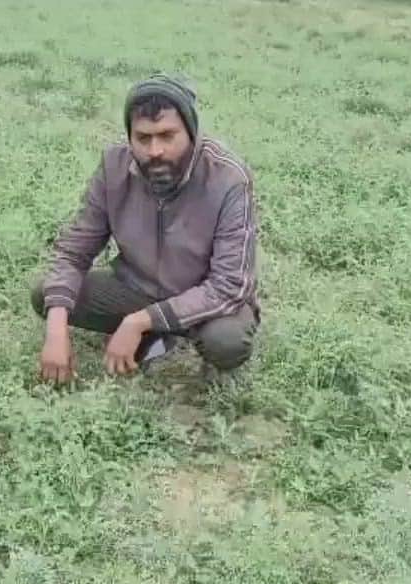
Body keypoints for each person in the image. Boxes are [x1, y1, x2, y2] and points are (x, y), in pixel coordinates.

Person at [30, 72, 261, 386]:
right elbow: (73, 253)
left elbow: (229, 285)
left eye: (167, 136)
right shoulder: (114, 166)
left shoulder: (228, 178)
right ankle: (153, 336)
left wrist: (140, 320)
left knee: (227, 341)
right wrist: (56, 333)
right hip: (135, 288)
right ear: (130, 136)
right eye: (143, 138)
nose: (155, 151)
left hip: (203, 303)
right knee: (48, 294)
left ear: (191, 132)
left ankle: (153, 331)